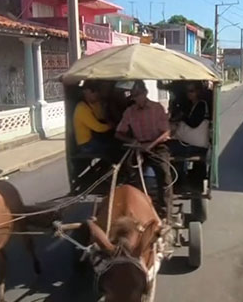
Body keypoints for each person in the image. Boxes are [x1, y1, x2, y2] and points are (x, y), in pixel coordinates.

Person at [116, 81, 173, 213]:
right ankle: (136, 207)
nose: (137, 99)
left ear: (145, 93)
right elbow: (118, 133)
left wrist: (150, 145)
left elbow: (166, 132)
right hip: (138, 148)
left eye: (139, 95)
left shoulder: (157, 108)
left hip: (157, 145)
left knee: (165, 174)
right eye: (135, 97)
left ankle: (166, 210)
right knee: (130, 176)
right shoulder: (129, 112)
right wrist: (133, 141)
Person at [169, 82, 210, 189]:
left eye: (191, 91)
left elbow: (193, 123)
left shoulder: (201, 105)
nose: (189, 94)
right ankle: (179, 180)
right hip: (194, 143)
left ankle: (175, 181)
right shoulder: (192, 105)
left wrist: (182, 118)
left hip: (196, 145)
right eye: (187, 91)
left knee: (167, 148)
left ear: (198, 92)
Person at [73, 81, 112, 154]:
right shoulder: (81, 108)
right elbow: (98, 127)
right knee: (113, 147)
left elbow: (101, 117)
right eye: (93, 92)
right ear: (86, 92)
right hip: (86, 144)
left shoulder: (96, 103)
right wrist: (111, 126)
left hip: (96, 139)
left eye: (97, 92)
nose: (97, 95)